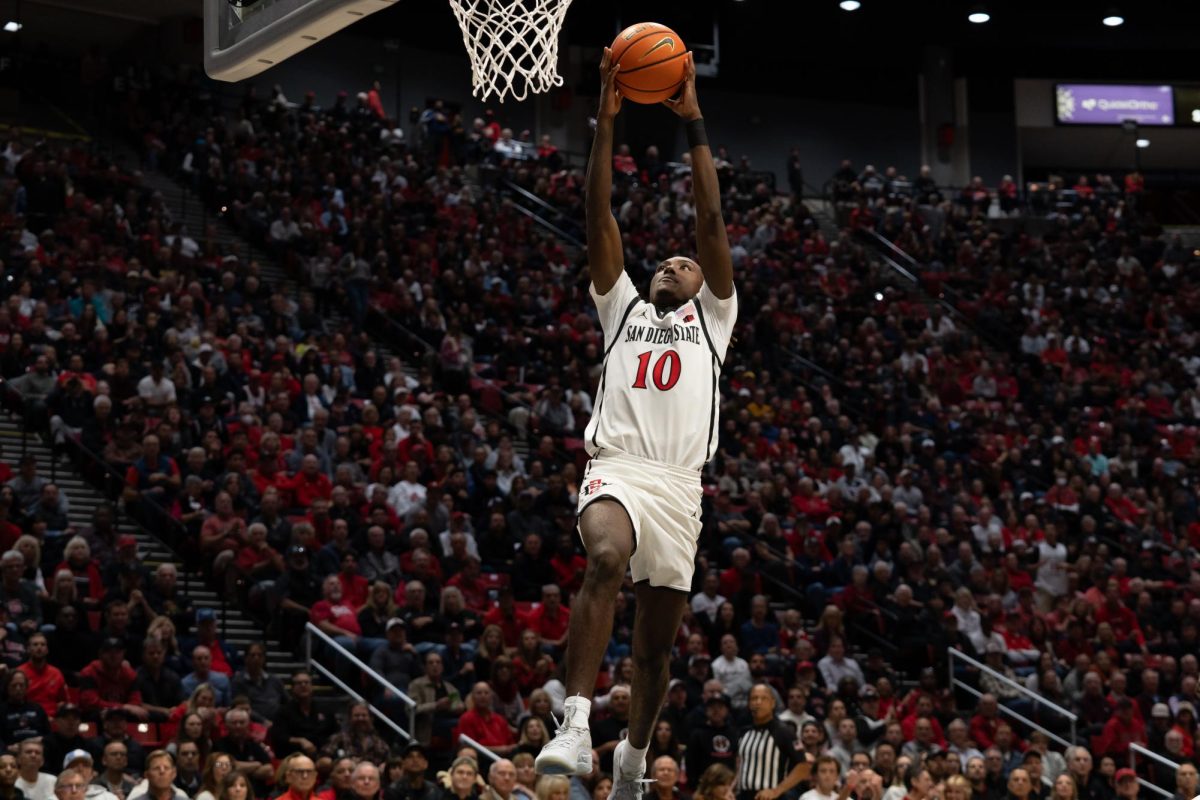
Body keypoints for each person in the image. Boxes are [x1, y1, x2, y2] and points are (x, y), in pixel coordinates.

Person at [535, 48, 738, 799]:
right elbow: (598, 213)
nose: (673, 265)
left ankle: (631, 761)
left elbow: (712, 217)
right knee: (604, 557)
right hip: (618, 465)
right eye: (666, 262)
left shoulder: (714, 320)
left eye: (685, 264)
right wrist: (607, 121)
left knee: (654, 654)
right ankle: (577, 722)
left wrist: (693, 124)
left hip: (680, 487)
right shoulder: (620, 307)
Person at [735, 685, 812, 800]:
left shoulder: (784, 732)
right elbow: (740, 765)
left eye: (763, 698)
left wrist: (777, 790)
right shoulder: (744, 732)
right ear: (749, 704)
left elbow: (803, 766)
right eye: (754, 698)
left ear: (773, 703)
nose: (758, 702)